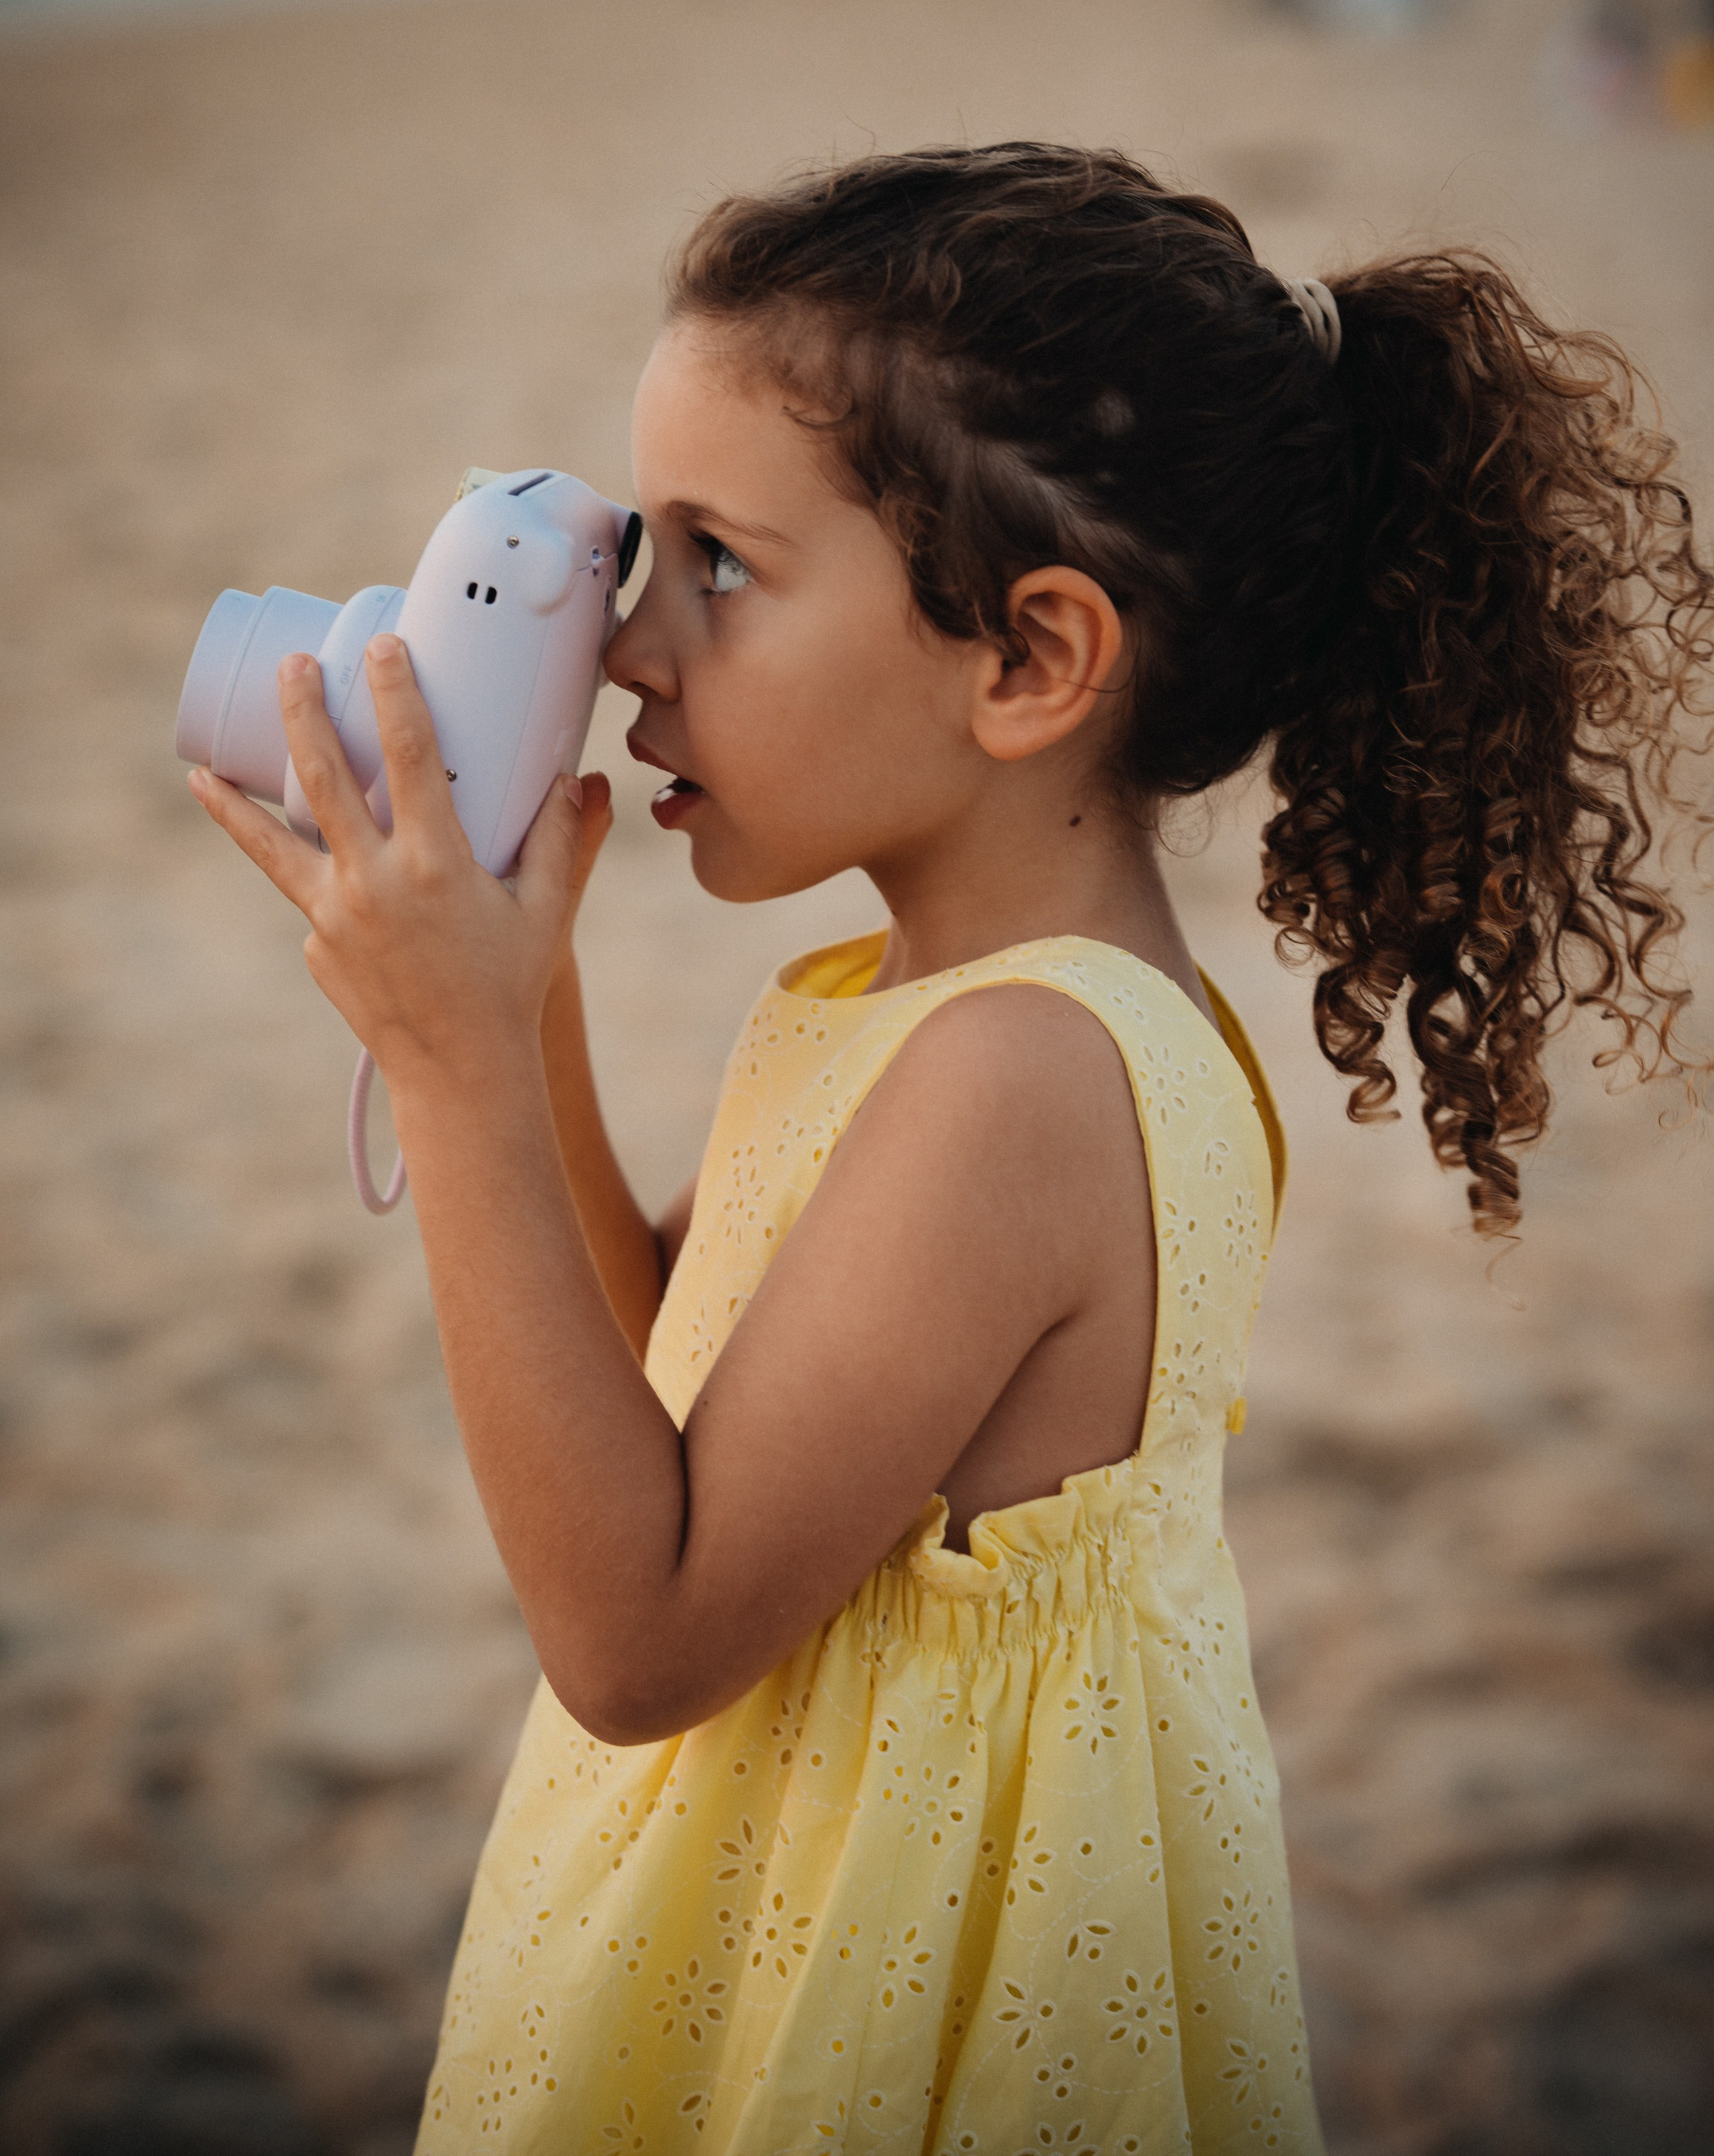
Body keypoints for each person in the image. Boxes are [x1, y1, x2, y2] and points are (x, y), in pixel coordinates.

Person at [189, 145, 1712, 2152]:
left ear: (1029, 662)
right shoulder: (901, 999)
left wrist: (455, 1078)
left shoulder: (1029, 1083)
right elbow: (671, 1400)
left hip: (885, 2007)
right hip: (767, 1903)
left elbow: (636, 1629)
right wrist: (522, 997)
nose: (636, 648)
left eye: (719, 566)